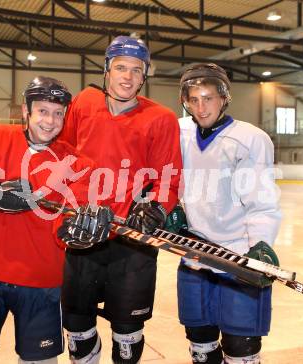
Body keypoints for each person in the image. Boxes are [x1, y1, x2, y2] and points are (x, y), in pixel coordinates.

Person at [0, 76, 93, 364]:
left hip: (42, 280)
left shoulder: (77, 164)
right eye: (43, 111)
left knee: (40, 360)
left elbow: (76, 214)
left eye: (58, 113)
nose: (50, 121)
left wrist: (83, 225)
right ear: (26, 111)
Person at [56, 35, 183, 364]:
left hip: (131, 239)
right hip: (83, 231)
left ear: (144, 77)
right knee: (77, 329)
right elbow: (61, 157)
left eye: (136, 70)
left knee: (127, 336)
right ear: (107, 71)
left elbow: (168, 178)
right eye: (120, 67)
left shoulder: (161, 118)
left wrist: (155, 207)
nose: (127, 76)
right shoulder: (83, 103)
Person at [176, 63, 282, 364]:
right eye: (194, 99)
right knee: (201, 348)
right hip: (194, 256)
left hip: (238, 258)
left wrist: (260, 244)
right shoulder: (180, 132)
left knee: (241, 349)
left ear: (224, 98)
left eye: (208, 97)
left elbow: (261, 200)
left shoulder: (250, 138)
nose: (201, 106)